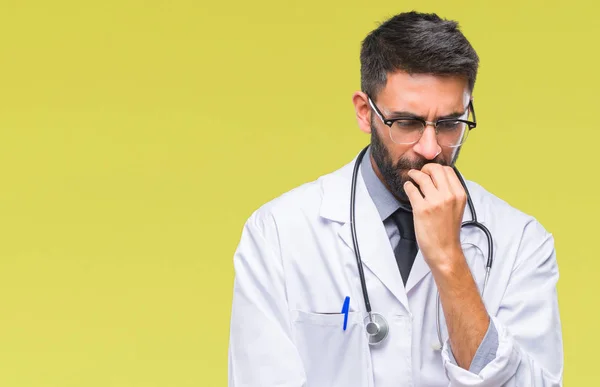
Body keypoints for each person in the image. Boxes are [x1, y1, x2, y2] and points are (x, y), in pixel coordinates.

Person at [227, 11, 563, 387]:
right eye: (407, 123)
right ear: (363, 112)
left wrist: (450, 261)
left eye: (450, 123)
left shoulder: (521, 242)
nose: (431, 148)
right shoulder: (278, 233)